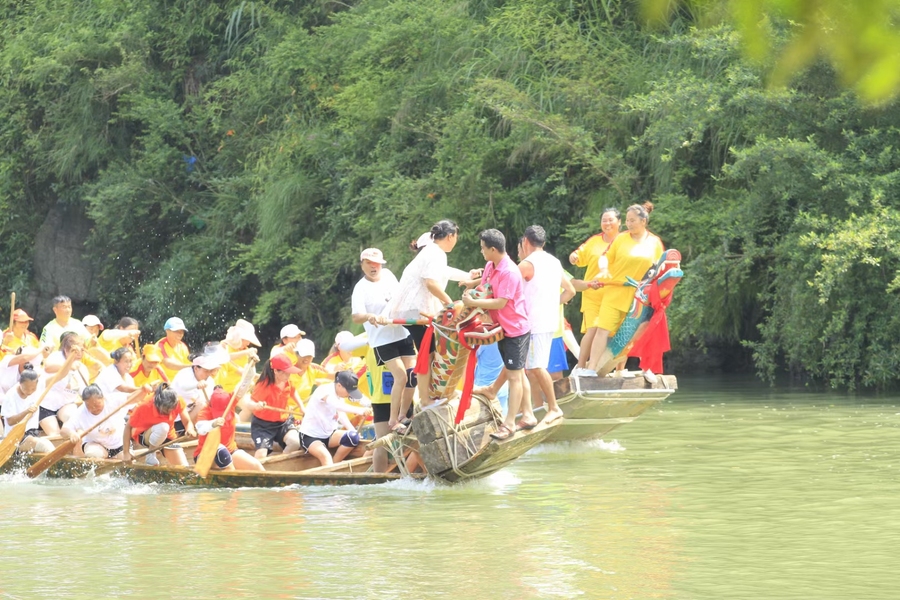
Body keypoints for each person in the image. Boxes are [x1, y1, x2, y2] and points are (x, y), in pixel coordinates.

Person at [388, 220, 468, 407]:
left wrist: (469, 275)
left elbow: (446, 273)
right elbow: (430, 283)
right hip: (417, 311)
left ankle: (434, 393)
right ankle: (425, 399)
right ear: (450, 236)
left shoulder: (432, 252)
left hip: (414, 309)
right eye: (456, 236)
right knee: (428, 353)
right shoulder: (436, 253)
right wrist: (450, 304)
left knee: (431, 352)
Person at [462, 229, 531, 441]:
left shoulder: (510, 271)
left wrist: (473, 302)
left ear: (493, 249)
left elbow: (501, 302)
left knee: (515, 375)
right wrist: (472, 293)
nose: (481, 251)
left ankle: (509, 424)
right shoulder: (490, 266)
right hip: (501, 327)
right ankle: (525, 412)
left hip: (515, 329)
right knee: (515, 370)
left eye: (483, 248)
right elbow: (485, 289)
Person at [585, 202, 665, 375]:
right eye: (627, 220)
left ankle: (622, 370)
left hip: (639, 297)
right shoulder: (621, 238)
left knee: (629, 335)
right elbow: (604, 257)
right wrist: (604, 269)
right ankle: (591, 369)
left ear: (643, 221)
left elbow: (660, 269)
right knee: (602, 330)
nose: (629, 224)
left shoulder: (655, 243)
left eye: (632, 220)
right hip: (615, 292)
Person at [351, 247, 417, 436]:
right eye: (369, 264)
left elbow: (400, 298)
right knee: (401, 376)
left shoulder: (388, 275)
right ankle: (393, 420)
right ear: (362, 265)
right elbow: (356, 317)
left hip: (401, 332)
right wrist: (370, 316)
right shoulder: (360, 288)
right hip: (382, 340)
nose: (374, 267)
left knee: (412, 375)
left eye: (377, 264)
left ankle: (404, 414)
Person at [518, 226, 571, 425]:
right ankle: (531, 410)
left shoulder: (527, 264)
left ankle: (553, 408)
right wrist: (552, 304)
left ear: (525, 241)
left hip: (534, 324)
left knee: (536, 367)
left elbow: (505, 283)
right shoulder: (554, 262)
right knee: (526, 368)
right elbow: (570, 291)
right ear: (543, 242)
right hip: (548, 322)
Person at [569, 208, 621, 374]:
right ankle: (581, 367)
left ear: (619, 222)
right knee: (592, 329)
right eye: (604, 220)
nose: (607, 223)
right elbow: (578, 256)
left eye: (611, 220)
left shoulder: (624, 242)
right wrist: (574, 257)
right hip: (592, 293)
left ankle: (618, 370)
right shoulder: (594, 241)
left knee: (617, 332)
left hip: (615, 294)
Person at [298, 370, 372, 467]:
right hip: (310, 436)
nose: (350, 394)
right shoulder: (324, 390)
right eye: (349, 391)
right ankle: (331, 470)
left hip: (329, 435)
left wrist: (353, 430)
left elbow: (341, 414)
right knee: (326, 457)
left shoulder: (340, 394)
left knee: (353, 437)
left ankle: (335, 465)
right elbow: (337, 405)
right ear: (339, 385)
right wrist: (361, 410)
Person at [61, 384, 148, 459]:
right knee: (93, 454)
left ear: (103, 398)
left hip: (120, 444)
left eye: (96, 405)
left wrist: (144, 390)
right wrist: (71, 433)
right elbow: (64, 430)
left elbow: (134, 398)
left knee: (127, 461)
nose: (93, 408)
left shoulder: (113, 400)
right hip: (96, 445)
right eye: (89, 406)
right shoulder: (81, 412)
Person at [243, 355, 304, 459]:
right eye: (285, 372)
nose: (288, 375)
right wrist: (256, 406)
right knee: (261, 455)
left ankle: (281, 463)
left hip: (283, 422)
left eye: (289, 372)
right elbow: (249, 403)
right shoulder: (263, 385)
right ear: (276, 371)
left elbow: (293, 392)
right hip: (263, 425)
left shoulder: (288, 382)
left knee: (295, 443)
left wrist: (302, 407)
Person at [122, 383, 196, 467]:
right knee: (163, 427)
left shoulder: (178, 400)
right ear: (158, 404)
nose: (169, 412)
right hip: (145, 434)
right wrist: (126, 452)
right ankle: (151, 454)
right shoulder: (145, 405)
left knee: (184, 467)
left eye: (171, 409)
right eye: (166, 410)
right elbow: (128, 427)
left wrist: (190, 429)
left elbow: (187, 422)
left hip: (167, 435)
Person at [194, 387, 264, 472]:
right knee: (221, 450)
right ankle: (232, 475)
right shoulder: (205, 412)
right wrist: (213, 424)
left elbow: (244, 385)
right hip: (205, 454)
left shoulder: (230, 402)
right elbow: (200, 428)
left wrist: (248, 377)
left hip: (231, 450)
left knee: (256, 465)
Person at [39, 332, 90, 435]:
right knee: (55, 435)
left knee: (74, 421)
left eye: (82, 350)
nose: (79, 354)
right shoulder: (56, 357)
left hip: (66, 405)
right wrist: (68, 365)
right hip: (45, 405)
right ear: (66, 350)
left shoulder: (82, 368)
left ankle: (71, 433)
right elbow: (48, 368)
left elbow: (84, 393)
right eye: (75, 351)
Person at [1, 366, 54, 453]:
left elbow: (60, 375)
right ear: (20, 383)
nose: (29, 391)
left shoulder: (38, 385)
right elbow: (10, 421)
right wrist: (26, 412)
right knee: (45, 445)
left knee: (46, 444)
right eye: (25, 388)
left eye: (33, 389)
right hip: (16, 437)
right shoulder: (10, 396)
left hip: (32, 432)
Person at [171, 352, 222, 429]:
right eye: (206, 371)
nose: (208, 374)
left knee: (206, 406)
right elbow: (183, 386)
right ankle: (187, 430)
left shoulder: (210, 380)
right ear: (196, 368)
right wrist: (196, 385)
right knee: (202, 405)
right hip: (176, 417)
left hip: (191, 415)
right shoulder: (184, 373)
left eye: (210, 371)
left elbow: (209, 401)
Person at [216, 319, 260, 395]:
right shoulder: (224, 346)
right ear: (239, 337)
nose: (248, 343)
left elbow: (246, 373)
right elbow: (225, 358)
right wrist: (246, 352)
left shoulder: (247, 351)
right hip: (224, 392)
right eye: (247, 340)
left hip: (241, 391)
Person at [156, 317, 191, 382]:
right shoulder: (160, 345)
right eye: (176, 331)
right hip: (163, 383)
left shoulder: (183, 346)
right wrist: (190, 366)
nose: (180, 334)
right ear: (167, 331)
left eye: (182, 331)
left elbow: (188, 363)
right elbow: (168, 364)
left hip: (179, 382)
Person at [81, 315, 113, 381]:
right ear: (83, 328)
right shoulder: (80, 341)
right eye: (91, 329)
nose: (94, 332)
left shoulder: (98, 341)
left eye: (96, 330)